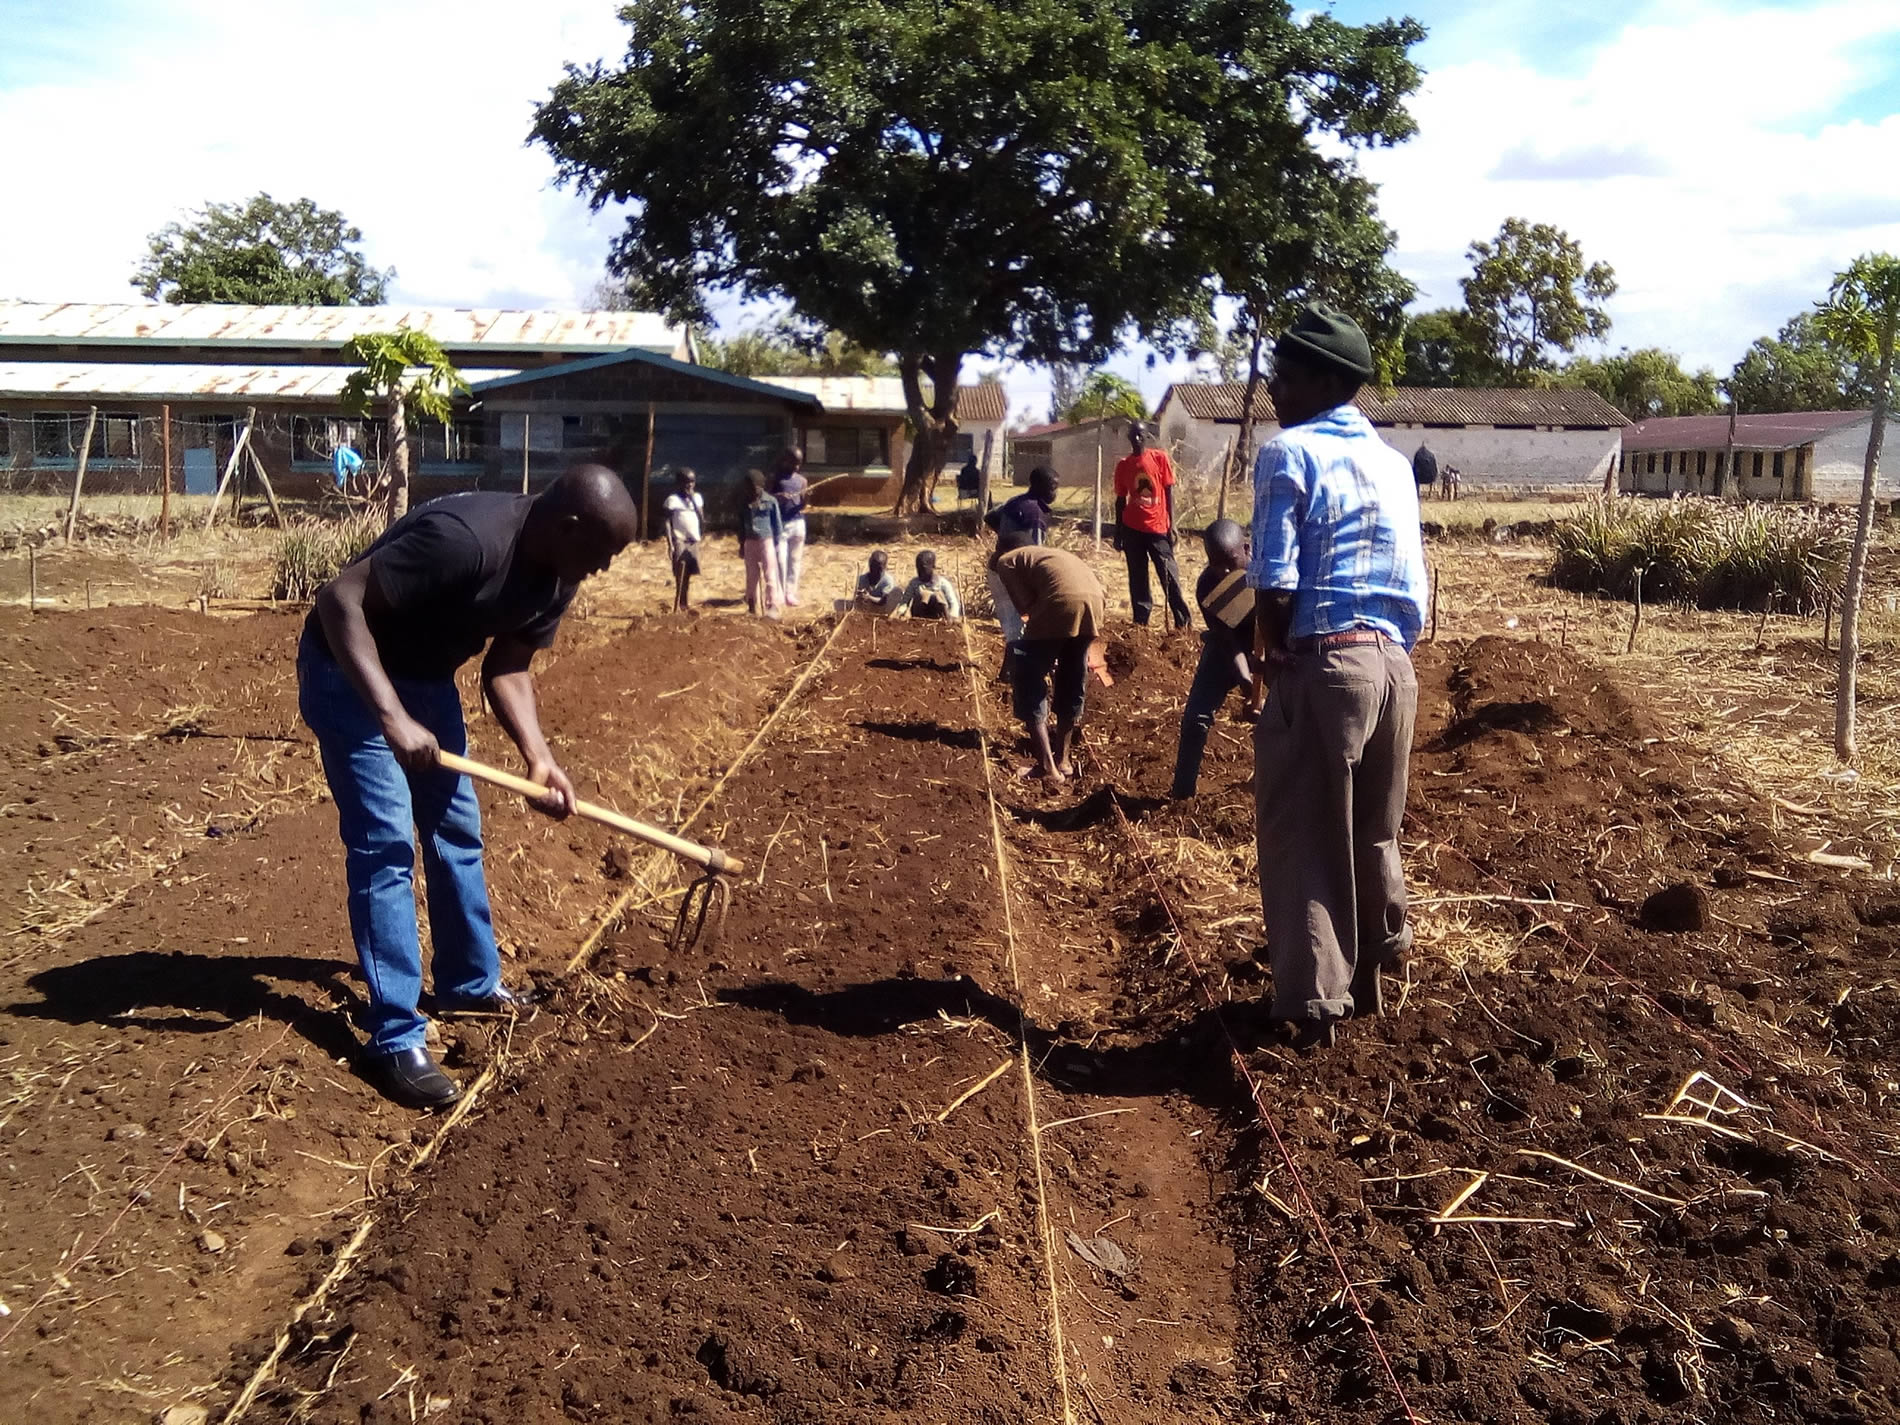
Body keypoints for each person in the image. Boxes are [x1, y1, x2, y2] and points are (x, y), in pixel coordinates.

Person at [299, 465, 640, 1108]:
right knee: (385, 843)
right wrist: (392, 717)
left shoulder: (558, 573)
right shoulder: (467, 540)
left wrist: (538, 758)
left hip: (426, 677)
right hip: (350, 670)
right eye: (602, 552)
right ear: (567, 526)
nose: (604, 568)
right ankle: (395, 1036)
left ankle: (468, 983)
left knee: (456, 829)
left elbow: (508, 666)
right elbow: (338, 598)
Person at [1248, 303, 1427, 1050]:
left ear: (1325, 381)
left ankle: (1314, 1013)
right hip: (1395, 669)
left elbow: (1276, 577)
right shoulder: (1392, 463)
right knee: (1372, 831)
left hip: (1327, 665)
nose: (1272, 391)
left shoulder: (1288, 453)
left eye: (1283, 378)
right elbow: (1417, 587)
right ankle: (1376, 979)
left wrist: (1270, 646)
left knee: (1304, 834)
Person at [991, 533, 1109, 783]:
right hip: (1094, 604)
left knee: (1027, 678)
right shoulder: (1047, 556)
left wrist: (1036, 644)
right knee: (1071, 678)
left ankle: (1046, 767)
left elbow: (1025, 608)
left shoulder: (1005, 561)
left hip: (1060, 603)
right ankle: (1063, 761)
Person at [1169, 519, 1258, 800]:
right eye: (1216, 563)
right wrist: (1247, 681)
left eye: (1230, 562)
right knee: (1196, 717)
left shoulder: (1268, 572)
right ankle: (1182, 797)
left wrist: (1267, 674)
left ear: (1246, 548)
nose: (1225, 571)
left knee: (1285, 717)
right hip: (1228, 649)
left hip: (1274, 645)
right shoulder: (1207, 586)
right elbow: (1227, 641)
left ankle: (1270, 788)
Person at [1113, 422, 1192, 629]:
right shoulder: (1123, 465)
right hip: (1132, 528)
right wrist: (1118, 532)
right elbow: (1120, 500)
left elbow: (1169, 491)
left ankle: (1182, 622)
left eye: (1140, 436)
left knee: (1169, 575)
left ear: (1146, 436)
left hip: (1158, 528)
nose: (1136, 440)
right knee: (1137, 577)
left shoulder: (1159, 458)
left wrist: (1171, 524)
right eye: (1133, 436)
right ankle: (1141, 623)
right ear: (1129, 438)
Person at [984, 466, 1059, 672]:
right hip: (1015, 573)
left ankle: (1012, 670)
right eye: (1052, 488)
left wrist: (1007, 536)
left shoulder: (1016, 502)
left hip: (997, 566)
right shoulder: (1035, 515)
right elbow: (1035, 556)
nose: (1055, 493)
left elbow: (989, 517)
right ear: (1039, 486)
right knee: (1021, 624)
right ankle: (1013, 672)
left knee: (1012, 624)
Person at [739, 470, 785, 617]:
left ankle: (772, 605)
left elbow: (777, 525)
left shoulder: (770, 502)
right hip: (750, 542)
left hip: (766, 541)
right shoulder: (743, 503)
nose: (751, 492)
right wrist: (741, 545)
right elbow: (741, 526)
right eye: (747, 489)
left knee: (770, 573)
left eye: (754, 489)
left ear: (761, 487)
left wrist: (777, 545)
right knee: (751, 575)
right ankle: (752, 605)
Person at [768, 447, 810, 606]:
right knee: (780, 559)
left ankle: (790, 593)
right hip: (781, 524)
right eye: (794, 463)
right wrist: (778, 497)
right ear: (786, 460)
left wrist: (806, 500)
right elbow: (765, 497)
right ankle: (779, 592)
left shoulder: (802, 481)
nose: (796, 467)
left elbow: (803, 505)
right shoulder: (776, 479)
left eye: (799, 464)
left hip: (798, 523)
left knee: (795, 560)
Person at [662, 466, 705, 612]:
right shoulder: (672, 500)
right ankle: (678, 603)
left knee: (689, 574)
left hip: (693, 540)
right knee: (680, 572)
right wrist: (670, 544)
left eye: (692, 482)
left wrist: (693, 500)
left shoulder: (697, 498)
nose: (690, 485)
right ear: (679, 483)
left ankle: (684, 603)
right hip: (679, 540)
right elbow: (667, 522)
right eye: (687, 482)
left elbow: (702, 519)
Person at [894, 550, 962, 620]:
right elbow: (905, 602)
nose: (920, 572)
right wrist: (899, 613)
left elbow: (953, 603)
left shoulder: (942, 583)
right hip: (919, 617)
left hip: (939, 618)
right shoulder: (914, 583)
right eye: (918, 569)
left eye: (923, 569)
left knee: (937, 596)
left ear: (933, 566)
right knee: (923, 595)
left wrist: (953, 617)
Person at [846, 549, 902, 616]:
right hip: (866, 608)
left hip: (882, 610)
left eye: (879, 569)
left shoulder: (887, 580)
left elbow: (883, 601)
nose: (875, 571)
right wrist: (860, 596)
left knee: (897, 592)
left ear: (885, 567)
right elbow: (857, 598)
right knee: (838, 603)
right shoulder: (862, 579)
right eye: (874, 567)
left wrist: (869, 597)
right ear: (869, 564)